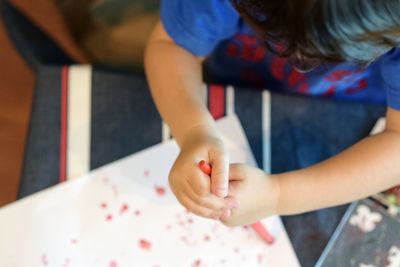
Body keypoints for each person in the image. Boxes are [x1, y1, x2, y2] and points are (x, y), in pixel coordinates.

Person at [144, 0, 400, 227]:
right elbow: (172, 46)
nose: (301, 63)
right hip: (238, 84)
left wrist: (278, 196)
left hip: (355, 114)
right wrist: (193, 131)